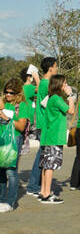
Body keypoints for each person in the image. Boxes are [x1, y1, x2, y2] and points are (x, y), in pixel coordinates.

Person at [25, 56, 56, 197]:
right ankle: (33, 186)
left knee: (42, 155)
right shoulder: (45, 83)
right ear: (50, 68)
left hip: (44, 124)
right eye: (55, 66)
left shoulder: (44, 83)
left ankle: (36, 185)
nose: (56, 69)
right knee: (43, 156)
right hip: (45, 124)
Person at [40, 73, 73, 204]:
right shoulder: (56, 99)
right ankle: (47, 194)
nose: (66, 85)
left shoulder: (51, 98)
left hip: (48, 136)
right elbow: (70, 110)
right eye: (64, 83)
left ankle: (43, 191)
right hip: (54, 137)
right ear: (59, 84)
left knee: (45, 165)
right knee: (50, 166)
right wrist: (70, 95)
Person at [0, 78, 29, 212]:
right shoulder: (2, 103)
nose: (8, 95)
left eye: (11, 93)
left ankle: (10, 201)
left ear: (18, 93)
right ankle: (1, 200)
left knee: (11, 172)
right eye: (6, 92)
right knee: (0, 171)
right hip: (1, 140)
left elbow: (21, 126)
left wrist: (7, 119)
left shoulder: (22, 106)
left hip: (14, 140)